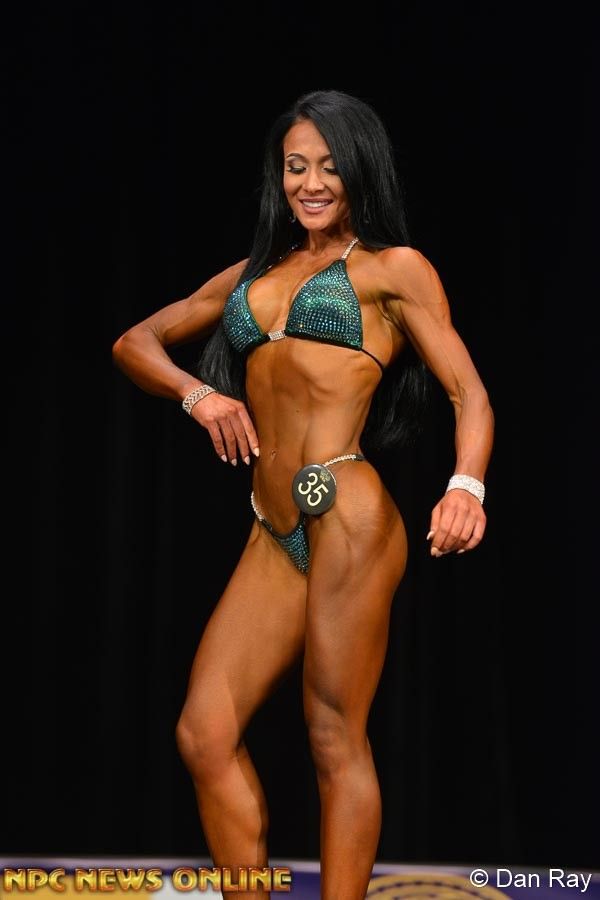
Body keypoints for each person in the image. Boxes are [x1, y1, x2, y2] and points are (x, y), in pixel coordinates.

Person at [112, 89, 494, 899]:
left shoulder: (392, 269)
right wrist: (197, 395)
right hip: (272, 526)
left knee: (332, 737)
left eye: (329, 166)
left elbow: (469, 393)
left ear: (359, 171)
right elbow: (134, 342)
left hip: (347, 513)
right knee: (205, 732)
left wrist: (467, 486)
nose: (311, 183)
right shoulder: (256, 273)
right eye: (295, 166)